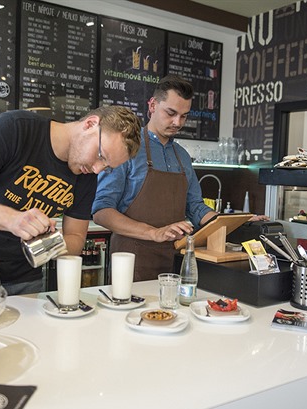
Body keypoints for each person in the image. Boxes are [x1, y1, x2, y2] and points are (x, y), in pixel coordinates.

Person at [0, 106, 142, 295]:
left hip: (24, 280)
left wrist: (48, 241)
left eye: (107, 167)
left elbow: (76, 239)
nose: (97, 169)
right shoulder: (16, 129)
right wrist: (13, 220)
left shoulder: (87, 175)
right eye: (100, 156)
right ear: (90, 124)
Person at [92, 75, 217, 281]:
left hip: (175, 260)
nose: (177, 122)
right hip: (132, 260)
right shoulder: (126, 148)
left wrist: (231, 222)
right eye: (171, 113)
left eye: (184, 116)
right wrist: (153, 233)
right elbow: (101, 211)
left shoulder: (183, 156)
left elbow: (195, 207)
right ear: (152, 105)